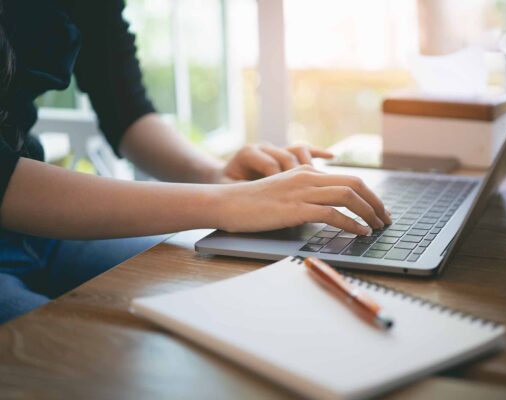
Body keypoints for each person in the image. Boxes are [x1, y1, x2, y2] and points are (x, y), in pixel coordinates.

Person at [0, 0, 390, 324]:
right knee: (65, 365)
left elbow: (127, 112)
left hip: (44, 235)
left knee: (241, 302)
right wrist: (231, 202)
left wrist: (216, 175)